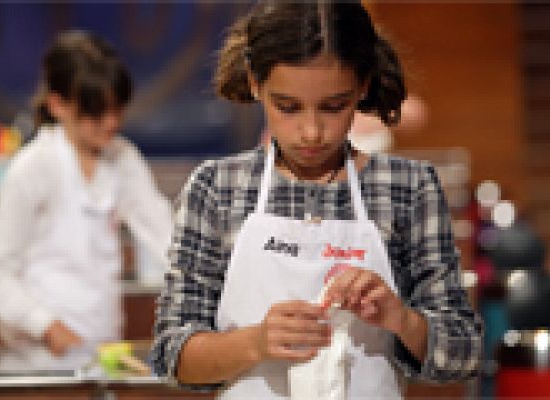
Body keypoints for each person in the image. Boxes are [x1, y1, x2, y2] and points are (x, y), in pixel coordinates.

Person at [150, 2, 482, 399]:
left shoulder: (408, 187)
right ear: (255, 84)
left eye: (333, 106)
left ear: (363, 86)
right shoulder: (218, 188)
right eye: (287, 107)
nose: (311, 131)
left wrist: (401, 319)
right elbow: (172, 356)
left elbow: (463, 354)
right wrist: (255, 342)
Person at [0, 30, 173, 372]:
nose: (111, 123)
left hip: (103, 353)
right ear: (57, 104)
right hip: (36, 364)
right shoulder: (34, 166)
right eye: (97, 113)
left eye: (117, 110)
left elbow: (166, 238)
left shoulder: (124, 159)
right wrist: (45, 325)